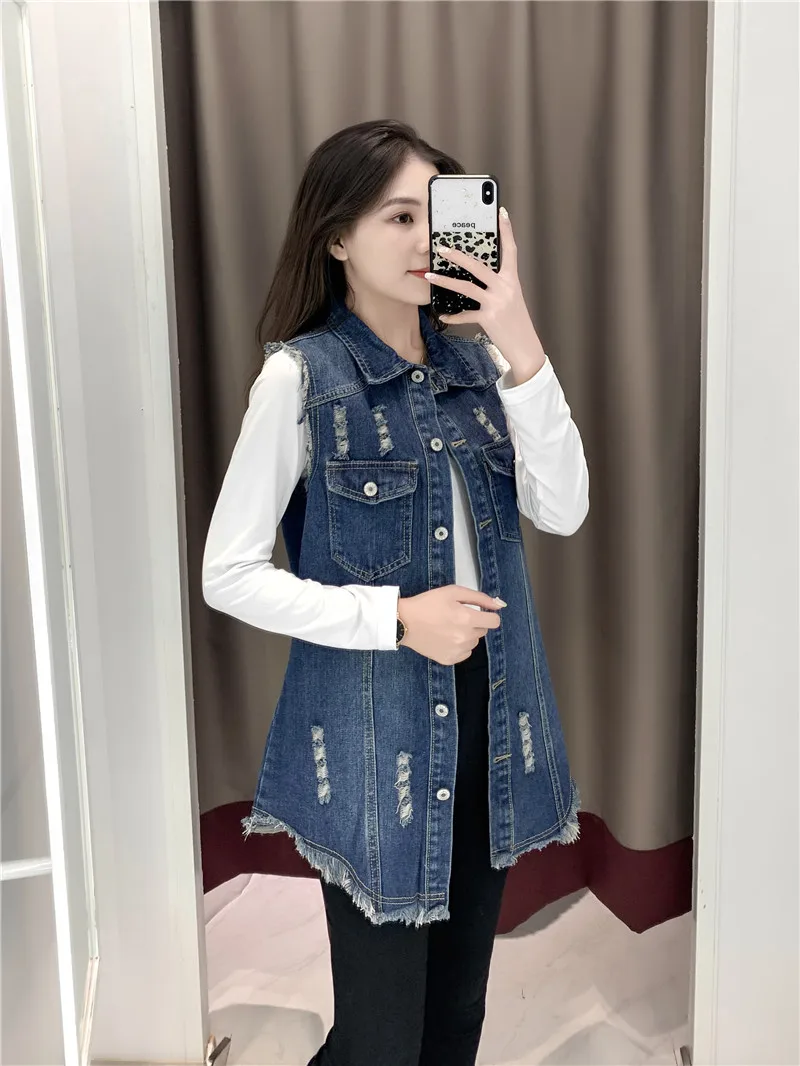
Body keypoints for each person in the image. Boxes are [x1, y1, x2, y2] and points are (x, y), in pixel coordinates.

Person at [202, 119, 589, 1066]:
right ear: (337, 236)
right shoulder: (302, 378)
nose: (425, 240)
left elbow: (564, 508)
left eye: (437, 215)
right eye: (398, 216)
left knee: (457, 1012)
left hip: (492, 711)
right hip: (376, 732)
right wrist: (396, 618)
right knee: (381, 1036)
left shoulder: (480, 369)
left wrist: (517, 336)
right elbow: (228, 574)